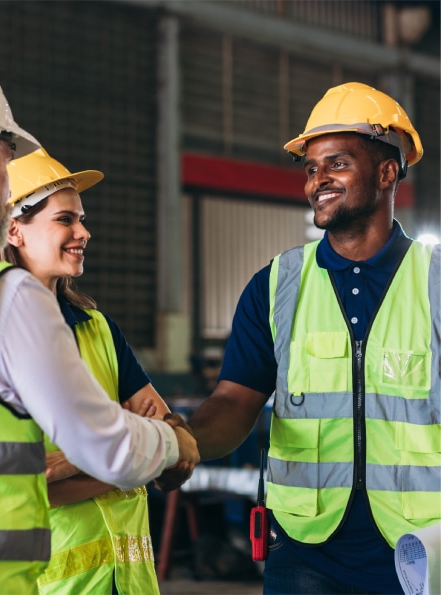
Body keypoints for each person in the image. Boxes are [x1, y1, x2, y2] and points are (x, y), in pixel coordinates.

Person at [0, 55, 198, 594]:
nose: (83, 233)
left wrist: (63, 463)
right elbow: (114, 451)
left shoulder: (92, 325)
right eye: (7, 166)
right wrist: (171, 444)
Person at [164, 82, 440, 594]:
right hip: (305, 553)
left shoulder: (436, 284)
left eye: (337, 163)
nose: (318, 181)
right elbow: (233, 401)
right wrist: (182, 442)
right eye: (311, 168)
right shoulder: (276, 286)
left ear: (387, 172)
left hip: (422, 553)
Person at [0, 147, 168, 594]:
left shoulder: (98, 328)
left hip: (130, 581)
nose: (84, 232)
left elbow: (164, 436)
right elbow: (19, 486)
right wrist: (125, 450)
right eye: (65, 220)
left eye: (82, 219)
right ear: (14, 230)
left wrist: (75, 461)